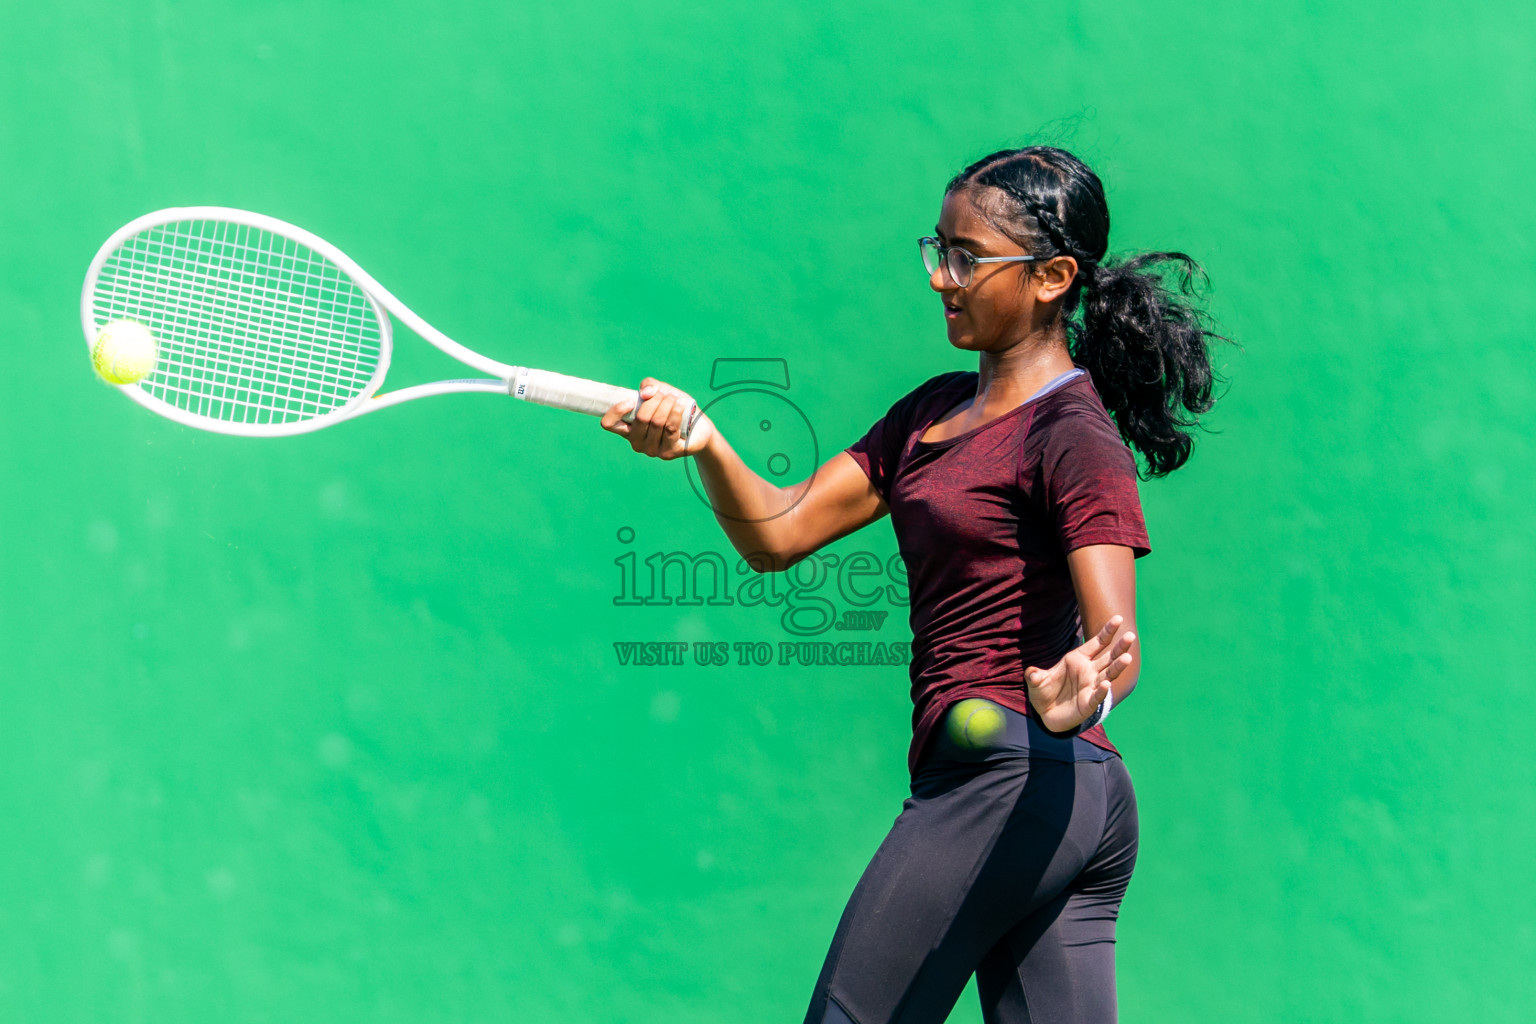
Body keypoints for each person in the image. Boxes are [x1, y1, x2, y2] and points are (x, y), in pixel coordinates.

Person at [601, 145, 1223, 1024]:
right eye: (938, 251)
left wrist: (1084, 691)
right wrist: (705, 440)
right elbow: (779, 533)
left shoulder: (1075, 438)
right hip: (1060, 798)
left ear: (1051, 277)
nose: (942, 278)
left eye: (968, 258)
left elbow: (1112, 643)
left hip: (1011, 775)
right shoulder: (928, 413)